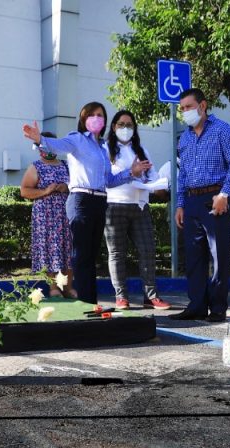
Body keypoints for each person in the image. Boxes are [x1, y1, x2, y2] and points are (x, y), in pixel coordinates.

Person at [22, 103, 151, 306]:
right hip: (81, 200)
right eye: (91, 115)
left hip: (100, 201)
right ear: (83, 119)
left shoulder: (101, 149)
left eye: (100, 115)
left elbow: (109, 180)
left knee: (91, 257)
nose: (96, 118)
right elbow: (58, 145)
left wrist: (131, 173)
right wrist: (40, 139)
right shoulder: (78, 139)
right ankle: (84, 305)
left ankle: (91, 303)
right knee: (81, 256)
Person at [173, 88, 230, 322]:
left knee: (219, 254)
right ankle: (196, 305)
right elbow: (181, 174)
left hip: (216, 198)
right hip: (192, 200)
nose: (185, 112)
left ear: (202, 106)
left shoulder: (223, 130)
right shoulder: (184, 138)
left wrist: (224, 194)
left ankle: (217, 308)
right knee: (193, 257)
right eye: (182, 108)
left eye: (188, 107)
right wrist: (180, 204)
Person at [103, 111, 171, 310]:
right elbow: (106, 179)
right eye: (121, 124)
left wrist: (159, 185)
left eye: (130, 125)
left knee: (148, 250)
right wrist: (130, 173)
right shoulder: (105, 149)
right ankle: (121, 297)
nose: (126, 129)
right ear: (114, 127)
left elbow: (152, 177)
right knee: (117, 253)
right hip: (114, 206)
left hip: (140, 206)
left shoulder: (142, 150)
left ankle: (151, 296)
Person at [20, 131, 74, 297]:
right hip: (45, 217)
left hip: (66, 215)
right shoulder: (35, 166)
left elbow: (77, 184)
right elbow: (25, 191)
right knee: (50, 250)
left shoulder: (67, 165)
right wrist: (45, 191)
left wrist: (66, 187)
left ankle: (67, 287)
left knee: (68, 250)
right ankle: (54, 288)